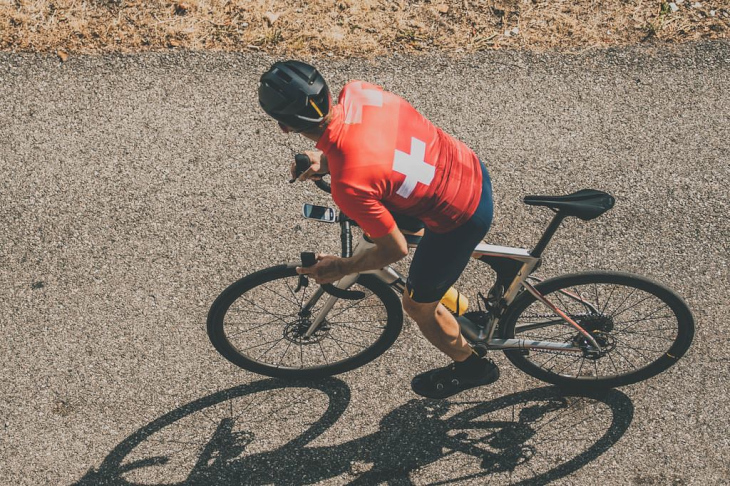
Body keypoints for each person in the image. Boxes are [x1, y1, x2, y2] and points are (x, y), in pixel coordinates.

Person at [258, 60, 498, 399]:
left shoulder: (350, 186)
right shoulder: (361, 92)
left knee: (416, 306)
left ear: (284, 127)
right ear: (326, 91)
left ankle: (474, 368)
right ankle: (444, 287)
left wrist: (342, 266)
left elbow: (394, 249)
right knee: (380, 225)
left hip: (461, 216)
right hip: (466, 166)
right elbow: (376, 147)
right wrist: (325, 161)